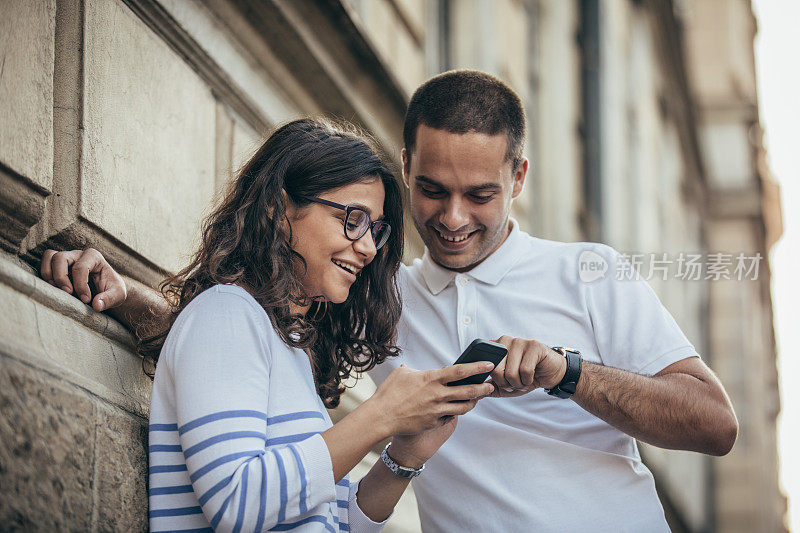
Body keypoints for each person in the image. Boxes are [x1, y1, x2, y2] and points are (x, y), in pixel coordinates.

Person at [42, 71, 738, 532]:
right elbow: (236, 345)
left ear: (518, 175)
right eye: (433, 189)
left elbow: (715, 423)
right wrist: (125, 293)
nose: (454, 216)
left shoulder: (592, 272)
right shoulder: (378, 295)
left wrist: (570, 373)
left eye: (481, 194)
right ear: (406, 164)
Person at [44, 117, 496, 532]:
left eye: (376, 230)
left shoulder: (291, 349)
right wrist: (380, 414)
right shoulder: (226, 314)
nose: (369, 248)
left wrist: (404, 454)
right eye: (352, 219)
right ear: (277, 211)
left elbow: (334, 526)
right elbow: (235, 503)